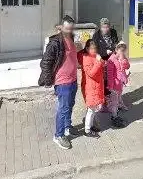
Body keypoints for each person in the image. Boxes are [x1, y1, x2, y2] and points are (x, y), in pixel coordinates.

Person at [39, 15, 81, 150]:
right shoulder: (55, 42)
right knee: (63, 108)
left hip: (73, 79)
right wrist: (47, 80)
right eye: (67, 28)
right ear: (61, 27)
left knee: (70, 105)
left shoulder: (71, 38)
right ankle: (58, 135)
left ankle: (67, 127)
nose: (69, 31)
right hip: (63, 82)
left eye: (71, 28)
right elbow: (45, 62)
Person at [79, 39, 105, 137]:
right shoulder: (86, 58)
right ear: (87, 49)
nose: (94, 50)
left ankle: (91, 125)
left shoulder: (94, 56)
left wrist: (101, 61)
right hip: (91, 88)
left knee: (93, 109)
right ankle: (87, 130)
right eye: (92, 48)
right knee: (91, 109)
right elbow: (91, 73)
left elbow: (103, 64)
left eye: (95, 48)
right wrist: (98, 62)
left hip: (96, 86)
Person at [107, 41, 130, 127]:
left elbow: (128, 66)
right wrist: (110, 87)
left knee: (118, 99)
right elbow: (110, 75)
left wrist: (124, 61)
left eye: (124, 50)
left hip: (120, 83)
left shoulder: (123, 58)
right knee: (114, 102)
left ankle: (117, 111)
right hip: (114, 85)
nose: (122, 52)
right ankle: (114, 117)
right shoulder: (111, 60)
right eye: (121, 50)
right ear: (116, 50)